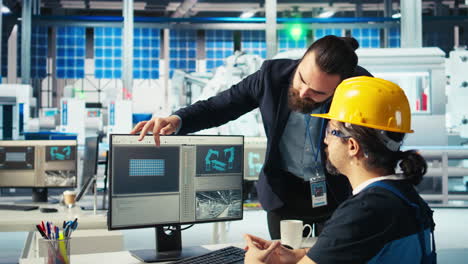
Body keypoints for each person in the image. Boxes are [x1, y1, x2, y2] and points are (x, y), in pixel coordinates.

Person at [131, 35, 372, 239]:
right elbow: (219, 107)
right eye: (301, 79)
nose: (303, 92)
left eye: (318, 92)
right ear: (302, 60)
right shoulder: (271, 77)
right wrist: (176, 120)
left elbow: (377, 143)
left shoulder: (361, 88)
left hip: (339, 195)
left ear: (341, 86)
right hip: (284, 196)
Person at [244, 76, 437, 264]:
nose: (325, 140)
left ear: (352, 146)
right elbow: (360, 244)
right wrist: (299, 254)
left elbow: (357, 231)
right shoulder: (404, 196)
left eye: (330, 130)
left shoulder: (362, 212)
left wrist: (252, 262)